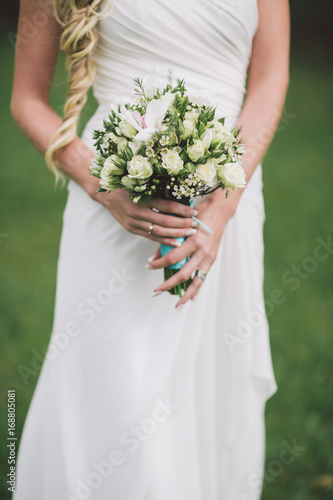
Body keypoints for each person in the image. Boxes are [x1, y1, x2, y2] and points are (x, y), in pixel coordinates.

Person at [11, 0, 290, 499]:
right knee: (118, 392)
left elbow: (270, 80)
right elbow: (26, 98)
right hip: (111, 197)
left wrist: (223, 207)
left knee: (209, 390)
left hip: (230, 195)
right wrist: (104, 186)